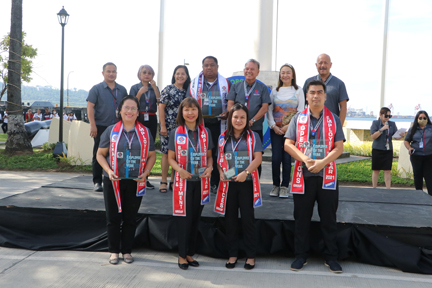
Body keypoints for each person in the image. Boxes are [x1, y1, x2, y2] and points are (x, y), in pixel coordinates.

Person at [284, 80, 345, 273]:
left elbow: (339, 147)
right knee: (301, 218)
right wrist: (305, 159)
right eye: (312, 92)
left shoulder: (333, 119)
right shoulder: (297, 118)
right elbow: (288, 144)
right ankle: (300, 255)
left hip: (327, 174)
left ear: (325, 96)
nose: (316, 96)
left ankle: (331, 257)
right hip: (304, 174)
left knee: (329, 218)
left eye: (320, 92)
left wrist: (322, 162)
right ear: (307, 96)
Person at [96, 95, 156, 265]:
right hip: (113, 180)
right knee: (113, 217)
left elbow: (151, 156)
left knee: (130, 217)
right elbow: (100, 155)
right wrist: (108, 171)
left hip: (136, 180)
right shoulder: (110, 131)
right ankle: (114, 251)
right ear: (120, 111)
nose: (129, 111)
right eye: (126, 108)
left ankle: (127, 250)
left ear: (138, 112)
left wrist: (146, 172)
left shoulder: (145, 132)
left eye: (133, 108)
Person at [167, 97, 213, 270]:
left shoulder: (205, 132)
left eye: (193, 109)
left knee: (195, 218)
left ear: (198, 112)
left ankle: (189, 254)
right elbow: (170, 158)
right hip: (183, 181)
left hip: (200, 181)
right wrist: (179, 170)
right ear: (182, 113)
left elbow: (209, 155)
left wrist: (209, 167)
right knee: (183, 219)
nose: (190, 112)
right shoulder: (176, 132)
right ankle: (181, 255)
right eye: (187, 110)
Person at [215, 103, 263, 270]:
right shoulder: (223, 137)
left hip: (247, 183)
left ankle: (250, 256)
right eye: (235, 117)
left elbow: (258, 159)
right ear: (230, 118)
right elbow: (219, 160)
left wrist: (246, 173)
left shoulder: (253, 136)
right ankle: (232, 254)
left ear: (247, 119)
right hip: (229, 184)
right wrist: (221, 172)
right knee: (230, 220)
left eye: (243, 117)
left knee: (248, 219)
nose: (239, 120)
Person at [187, 56, 231, 193]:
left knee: (219, 152)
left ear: (217, 66)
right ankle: (200, 178)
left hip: (220, 124)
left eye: (212, 65)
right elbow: (189, 103)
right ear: (202, 67)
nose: (209, 68)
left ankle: (215, 181)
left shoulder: (226, 84)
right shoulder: (194, 84)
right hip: (201, 124)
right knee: (202, 151)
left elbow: (231, 102)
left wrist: (227, 112)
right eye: (206, 65)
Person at [87, 62, 127, 192]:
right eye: (108, 71)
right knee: (98, 154)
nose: (111, 74)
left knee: (118, 153)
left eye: (114, 71)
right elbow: (90, 107)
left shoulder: (122, 90)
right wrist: (92, 125)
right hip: (101, 127)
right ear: (103, 73)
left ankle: (118, 177)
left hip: (118, 127)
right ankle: (97, 181)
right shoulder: (96, 89)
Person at [227, 59, 271, 176]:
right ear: (244, 70)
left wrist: (252, 120)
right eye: (247, 69)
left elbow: (264, 108)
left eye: (252, 69)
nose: (249, 71)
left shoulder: (263, 88)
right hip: (237, 129)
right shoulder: (236, 86)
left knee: (256, 156)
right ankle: (234, 176)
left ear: (258, 72)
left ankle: (255, 183)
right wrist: (235, 119)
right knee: (237, 154)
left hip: (255, 128)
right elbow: (230, 105)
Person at [267, 64, 305, 198]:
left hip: (291, 130)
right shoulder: (274, 91)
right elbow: (269, 110)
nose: (285, 75)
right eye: (282, 73)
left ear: (293, 74)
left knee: (287, 159)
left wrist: (288, 126)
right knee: (276, 159)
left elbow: (301, 111)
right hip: (276, 130)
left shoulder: (298, 90)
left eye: (288, 73)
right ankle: (275, 185)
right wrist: (273, 126)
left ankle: (284, 186)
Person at [158, 65, 190, 193]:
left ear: (187, 76)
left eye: (183, 74)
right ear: (174, 75)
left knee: (178, 155)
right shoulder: (168, 89)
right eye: (178, 73)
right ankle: (164, 181)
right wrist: (163, 126)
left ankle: (174, 181)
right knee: (166, 153)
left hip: (183, 128)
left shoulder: (188, 91)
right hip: (168, 127)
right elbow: (161, 107)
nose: (180, 76)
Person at [129, 65, 160, 190]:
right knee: (137, 146)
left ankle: (145, 177)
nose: (147, 75)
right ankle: (133, 174)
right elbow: (131, 103)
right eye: (144, 72)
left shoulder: (154, 87)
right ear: (139, 74)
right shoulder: (135, 87)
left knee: (148, 147)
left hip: (151, 118)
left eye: (150, 73)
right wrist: (140, 93)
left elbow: (160, 101)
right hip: (139, 117)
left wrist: (154, 88)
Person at [303, 54, 349, 125]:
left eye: (325, 63)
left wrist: (339, 127)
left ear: (330, 65)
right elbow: (302, 104)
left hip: (330, 125)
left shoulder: (339, 84)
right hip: (310, 124)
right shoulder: (308, 82)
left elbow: (343, 107)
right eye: (320, 63)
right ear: (316, 65)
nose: (323, 66)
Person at [370, 107, 404, 189]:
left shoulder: (392, 124)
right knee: (376, 169)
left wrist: (401, 136)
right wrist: (382, 129)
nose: (388, 118)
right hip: (377, 149)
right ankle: (374, 188)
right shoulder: (376, 123)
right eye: (386, 116)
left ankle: (388, 188)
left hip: (388, 149)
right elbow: (373, 136)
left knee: (387, 170)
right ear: (381, 115)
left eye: (389, 116)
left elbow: (395, 136)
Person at [404, 110, 432, 195]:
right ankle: (419, 195)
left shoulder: (430, 128)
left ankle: (430, 196)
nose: (422, 119)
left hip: (429, 156)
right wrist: (409, 148)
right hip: (416, 156)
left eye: (424, 118)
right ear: (417, 119)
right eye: (420, 118)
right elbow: (406, 141)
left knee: (429, 176)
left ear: (427, 119)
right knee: (418, 175)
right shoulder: (413, 129)